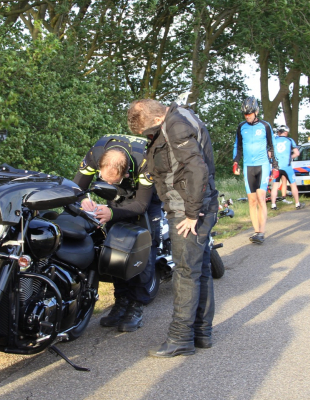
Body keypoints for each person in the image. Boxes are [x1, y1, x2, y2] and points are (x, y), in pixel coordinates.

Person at [127, 98, 218, 357]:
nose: (146, 136)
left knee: (186, 272)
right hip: (194, 205)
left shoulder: (175, 126)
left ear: (156, 119)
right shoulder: (178, 118)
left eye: (146, 132)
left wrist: (191, 214)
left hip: (188, 211)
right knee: (199, 271)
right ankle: (201, 333)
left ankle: (180, 338)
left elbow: (197, 169)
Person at [73, 134, 158, 333]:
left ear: (126, 172)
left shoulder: (145, 161)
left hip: (146, 198)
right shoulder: (96, 153)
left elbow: (141, 205)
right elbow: (76, 186)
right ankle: (121, 301)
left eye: (114, 180)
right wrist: (83, 199)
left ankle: (137, 305)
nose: (108, 183)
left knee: (143, 246)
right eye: (104, 179)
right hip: (118, 198)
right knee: (116, 246)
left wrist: (112, 212)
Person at [232, 96, 278, 244]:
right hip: (248, 166)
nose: (247, 116)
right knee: (252, 200)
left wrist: (275, 165)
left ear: (256, 111)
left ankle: (261, 232)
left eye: (250, 113)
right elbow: (237, 146)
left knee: (260, 197)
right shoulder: (241, 127)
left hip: (262, 165)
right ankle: (256, 231)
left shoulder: (265, 126)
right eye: (245, 114)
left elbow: (272, 146)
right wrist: (235, 162)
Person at [270, 125, 304, 210]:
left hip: (276, 166)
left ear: (278, 132)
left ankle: (273, 205)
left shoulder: (273, 140)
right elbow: (297, 153)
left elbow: (269, 154)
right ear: (286, 132)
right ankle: (297, 204)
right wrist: (290, 157)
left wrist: (274, 160)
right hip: (287, 166)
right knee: (293, 185)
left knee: (275, 186)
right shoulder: (290, 140)